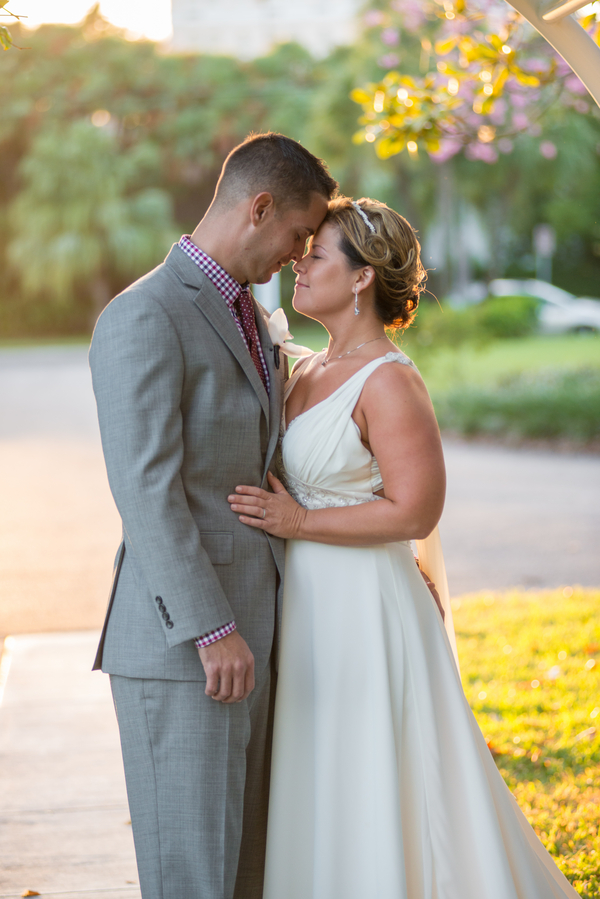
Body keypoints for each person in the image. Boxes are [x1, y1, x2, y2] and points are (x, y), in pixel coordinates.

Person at [228, 196, 580, 899]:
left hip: (366, 607)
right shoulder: (306, 368)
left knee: (373, 775)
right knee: (321, 770)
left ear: (362, 278)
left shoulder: (389, 379)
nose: (299, 265)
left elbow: (417, 507)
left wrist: (298, 522)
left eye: (317, 254)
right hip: (309, 608)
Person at [88, 132, 337, 899]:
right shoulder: (145, 315)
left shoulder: (251, 317)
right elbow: (147, 490)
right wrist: (212, 627)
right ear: (259, 208)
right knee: (192, 875)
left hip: (252, 637)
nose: (301, 254)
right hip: (186, 647)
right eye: (299, 233)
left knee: (247, 873)